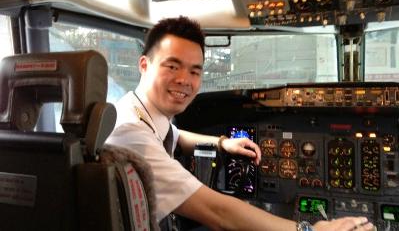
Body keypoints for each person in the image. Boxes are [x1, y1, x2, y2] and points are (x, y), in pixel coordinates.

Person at [106, 16, 374, 231]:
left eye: (194, 70)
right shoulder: (131, 133)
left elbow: (174, 135)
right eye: (172, 66)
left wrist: (223, 143)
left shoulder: (141, 114)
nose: (184, 80)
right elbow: (218, 212)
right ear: (144, 64)